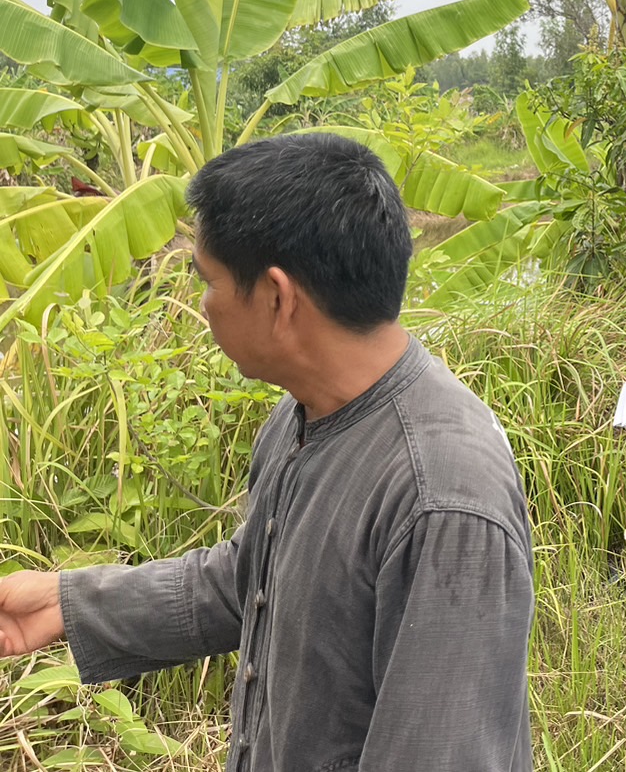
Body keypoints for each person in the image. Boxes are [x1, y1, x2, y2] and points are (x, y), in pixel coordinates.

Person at [0, 134, 535, 771]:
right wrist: (65, 601)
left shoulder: (443, 499)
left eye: (209, 282)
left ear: (278, 299)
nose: (201, 305)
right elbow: (247, 579)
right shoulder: (303, 413)